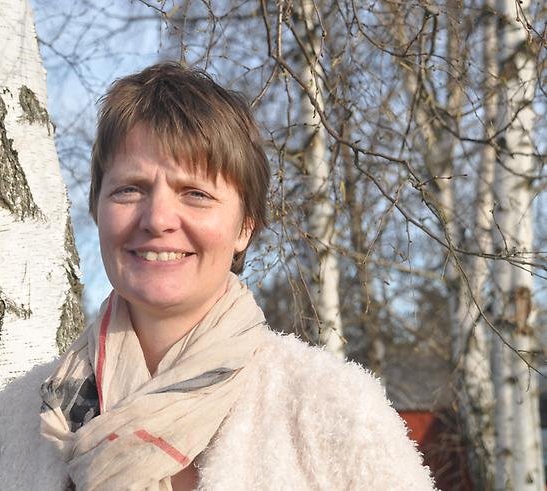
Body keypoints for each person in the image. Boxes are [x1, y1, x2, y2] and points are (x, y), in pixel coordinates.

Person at [40, 62, 434, 491]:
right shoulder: (21, 422)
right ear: (97, 210)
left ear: (245, 226)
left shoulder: (337, 412)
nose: (157, 219)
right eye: (129, 189)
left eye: (195, 193)